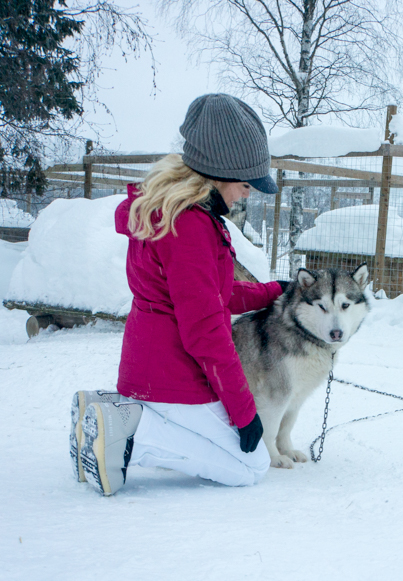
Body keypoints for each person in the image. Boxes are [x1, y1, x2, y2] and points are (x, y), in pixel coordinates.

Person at [69, 94, 285, 496]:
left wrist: (273, 292)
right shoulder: (190, 227)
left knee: (227, 450)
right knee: (250, 465)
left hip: (148, 369)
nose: (247, 194)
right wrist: (243, 413)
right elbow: (205, 328)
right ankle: (130, 432)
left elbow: (212, 294)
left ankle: (111, 412)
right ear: (220, 173)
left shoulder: (173, 213)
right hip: (174, 377)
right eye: (244, 185)